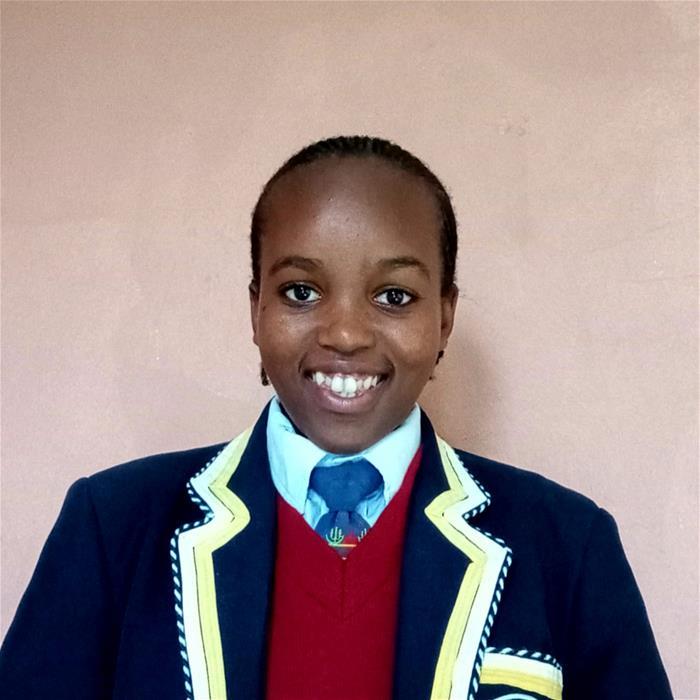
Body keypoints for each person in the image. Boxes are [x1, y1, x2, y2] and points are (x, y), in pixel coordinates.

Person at [0, 136, 672, 700]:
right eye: (301, 291)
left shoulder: (567, 545)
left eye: (393, 295)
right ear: (256, 309)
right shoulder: (114, 528)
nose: (345, 333)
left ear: (444, 318)